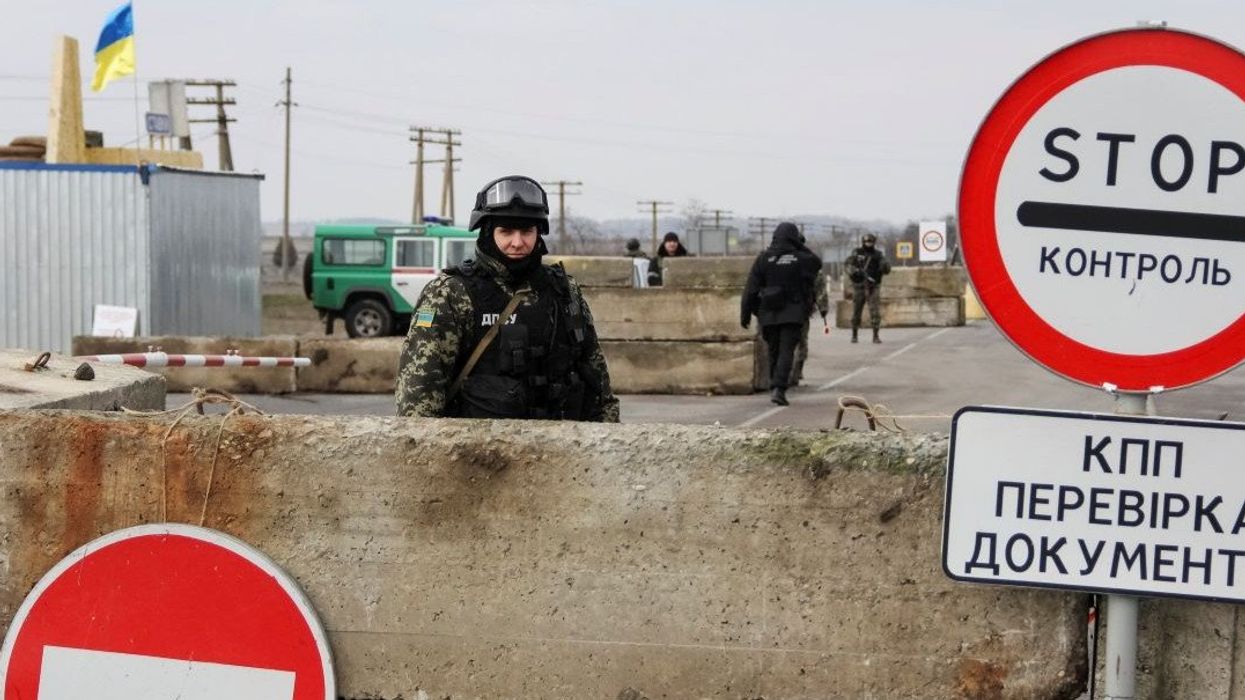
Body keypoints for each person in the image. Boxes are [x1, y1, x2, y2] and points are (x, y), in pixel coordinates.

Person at [396, 175, 620, 421]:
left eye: (526, 231)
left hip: (560, 448)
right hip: (479, 451)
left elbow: (596, 378)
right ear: (488, 232)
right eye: (506, 231)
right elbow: (419, 392)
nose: (517, 242)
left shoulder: (564, 291)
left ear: (539, 233)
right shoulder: (450, 294)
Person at [740, 222, 822, 406]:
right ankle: (779, 388)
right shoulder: (800, 258)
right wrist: (799, 245)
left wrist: (745, 314)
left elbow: (750, 289)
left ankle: (774, 384)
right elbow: (817, 263)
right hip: (793, 312)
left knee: (774, 351)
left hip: (768, 312)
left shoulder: (764, 258)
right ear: (794, 237)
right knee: (787, 351)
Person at [790, 267, 830, 386]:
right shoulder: (808, 262)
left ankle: (789, 373)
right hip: (800, 310)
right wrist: (823, 308)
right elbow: (819, 287)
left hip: (778, 311)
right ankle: (796, 372)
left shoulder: (774, 258)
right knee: (801, 342)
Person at [847, 233, 891, 343]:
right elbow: (848, 265)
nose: (868, 244)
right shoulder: (857, 253)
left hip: (873, 286)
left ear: (874, 242)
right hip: (859, 286)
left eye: (870, 242)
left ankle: (875, 336)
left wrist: (884, 266)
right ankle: (854, 335)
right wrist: (854, 271)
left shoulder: (878, 255)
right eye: (866, 242)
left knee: (874, 312)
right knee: (857, 311)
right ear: (863, 242)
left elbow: (886, 268)